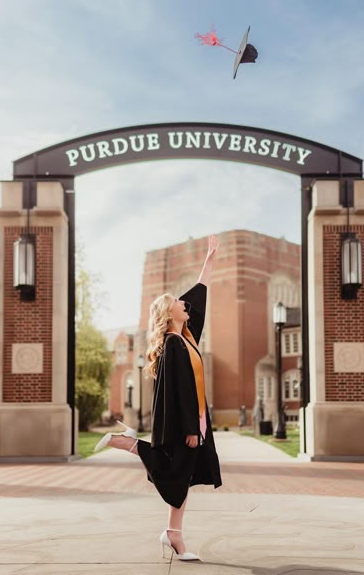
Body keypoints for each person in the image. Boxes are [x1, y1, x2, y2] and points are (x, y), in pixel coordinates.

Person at [95, 235, 222, 561]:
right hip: (185, 425)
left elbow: (198, 296)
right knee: (175, 474)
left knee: (182, 476)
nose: (185, 305)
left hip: (194, 422)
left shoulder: (186, 338)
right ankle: (131, 444)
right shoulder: (174, 345)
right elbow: (179, 391)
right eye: (179, 304)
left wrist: (208, 260)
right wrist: (191, 429)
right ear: (170, 313)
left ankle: (173, 534)